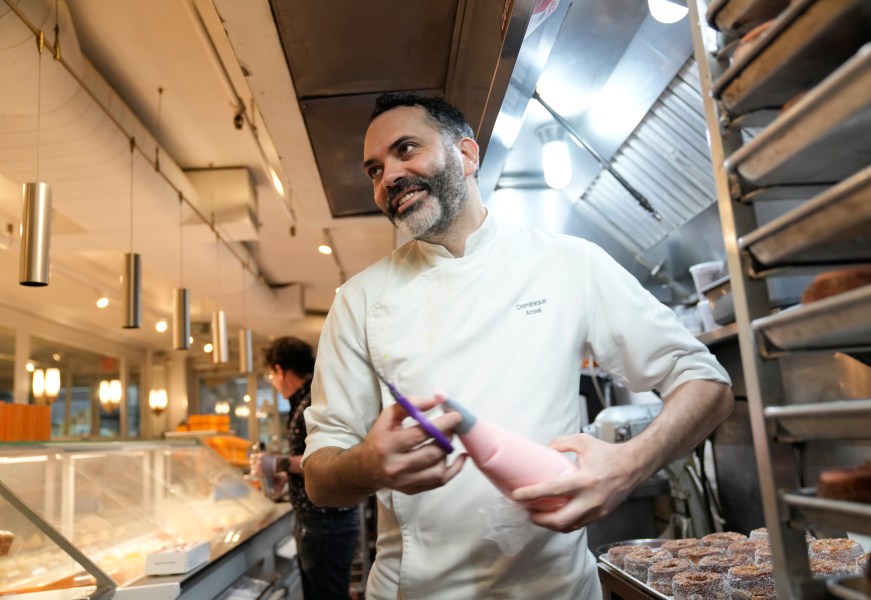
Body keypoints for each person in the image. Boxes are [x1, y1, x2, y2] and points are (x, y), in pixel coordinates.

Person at [302, 92, 735, 599]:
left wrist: (628, 465)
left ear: (466, 155)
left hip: (558, 588)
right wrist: (367, 465)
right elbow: (319, 477)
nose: (389, 177)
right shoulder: (359, 301)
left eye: (406, 149)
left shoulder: (568, 262)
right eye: (374, 170)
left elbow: (707, 381)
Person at [252, 337, 360, 599]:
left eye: (271, 375)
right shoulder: (308, 399)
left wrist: (277, 463)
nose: (274, 382)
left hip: (326, 522)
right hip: (322, 522)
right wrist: (286, 474)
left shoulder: (312, 400)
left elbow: (332, 456)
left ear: (279, 370)